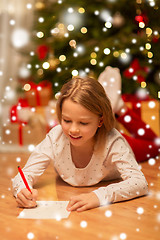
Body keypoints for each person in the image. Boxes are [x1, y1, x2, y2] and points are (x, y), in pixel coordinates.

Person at [12, 76, 148, 212]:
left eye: (83, 123)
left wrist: (99, 196)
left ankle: (119, 108)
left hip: (129, 145)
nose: (73, 130)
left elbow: (140, 182)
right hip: (99, 138)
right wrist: (22, 190)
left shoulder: (114, 142)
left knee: (153, 147)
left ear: (100, 121)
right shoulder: (56, 136)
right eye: (66, 120)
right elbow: (25, 174)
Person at [98, 66, 160, 163]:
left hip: (103, 138)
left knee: (155, 145)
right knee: (155, 146)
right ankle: (119, 108)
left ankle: (116, 108)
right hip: (105, 142)